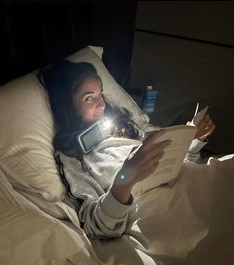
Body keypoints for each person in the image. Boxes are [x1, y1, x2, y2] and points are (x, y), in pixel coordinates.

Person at [38, 60, 216, 240]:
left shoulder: (120, 125)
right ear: (68, 107)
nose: (101, 105)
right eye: (89, 98)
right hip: (155, 209)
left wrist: (192, 141)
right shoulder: (72, 155)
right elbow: (97, 226)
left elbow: (177, 166)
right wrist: (124, 181)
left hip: (187, 184)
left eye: (100, 94)